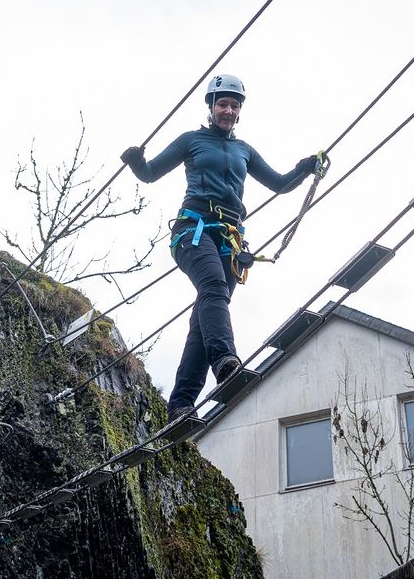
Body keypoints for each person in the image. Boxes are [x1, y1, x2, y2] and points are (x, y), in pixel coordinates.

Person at [121, 74, 322, 421]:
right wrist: (137, 162)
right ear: (212, 107)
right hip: (194, 230)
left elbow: (279, 184)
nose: (228, 111)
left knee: (206, 318)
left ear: (240, 111)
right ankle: (225, 361)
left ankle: (181, 404)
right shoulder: (192, 140)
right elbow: (150, 173)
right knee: (213, 287)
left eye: (234, 106)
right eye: (223, 104)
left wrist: (304, 169)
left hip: (230, 239)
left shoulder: (245, 150)